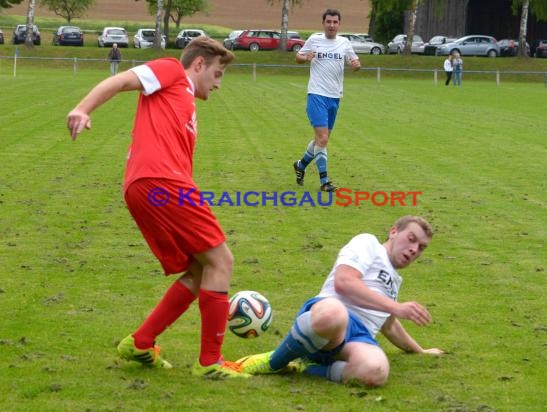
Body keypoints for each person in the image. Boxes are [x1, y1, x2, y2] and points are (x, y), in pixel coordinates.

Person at [66, 37, 250, 379]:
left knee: (199, 269)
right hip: (161, 183)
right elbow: (121, 80)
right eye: (218, 73)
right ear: (198, 65)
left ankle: (140, 342)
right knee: (221, 260)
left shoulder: (183, 101)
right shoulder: (171, 71)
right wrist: (83, 108)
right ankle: (210, 362)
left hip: (145, 187)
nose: (218, 83)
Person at [237, 215, 444, 387]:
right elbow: (344, 282)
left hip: (355, 340)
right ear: (393, 232)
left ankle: (307, 367)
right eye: (411, 238)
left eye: (421, 247)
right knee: (334, 314)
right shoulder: (368, 244)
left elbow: (389, 326)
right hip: (329, 318)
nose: (414, 249)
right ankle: (273, 362)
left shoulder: (394, 281)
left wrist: (421, 351)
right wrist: (395, 307)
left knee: (376, 371)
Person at [293, 9, 361, 193]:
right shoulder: (314, 40)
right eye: (328, 22)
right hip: (316, 94)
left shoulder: (344, 43)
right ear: (323, 23)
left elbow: (355, 61)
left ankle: (301, 165)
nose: (331, 25)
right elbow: (298, 57)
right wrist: (305, 58)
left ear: (339, 24)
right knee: (322, 138)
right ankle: (324, 181)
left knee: (321, 140)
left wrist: (356, 65)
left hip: (335, 96)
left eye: (335, 22)